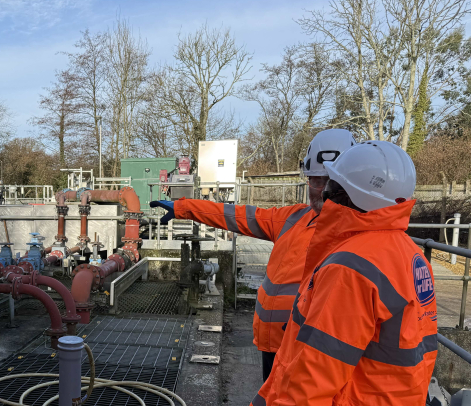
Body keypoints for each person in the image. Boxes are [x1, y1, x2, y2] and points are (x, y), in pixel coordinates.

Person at [240, 141, 438, 406]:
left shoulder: (352, 266)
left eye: (331, 185)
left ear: (344, 193)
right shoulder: (409, 254)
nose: (322, 191)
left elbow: (316, 372)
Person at [151, 129, 356, 381]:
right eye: (316, 180)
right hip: (273, 345)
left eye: (333, 183)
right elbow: (237, 215)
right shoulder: (294, 219)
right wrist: (185, 207)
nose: (323, 191)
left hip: (312, 354)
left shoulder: (359, 238)